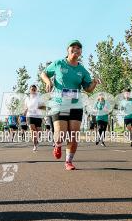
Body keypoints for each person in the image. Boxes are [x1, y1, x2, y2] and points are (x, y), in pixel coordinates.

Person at [40, 40, 98, 170]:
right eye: (73, 47)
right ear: (68, 50)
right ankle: (57, 144)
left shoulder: (82, 70)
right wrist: (47, 81)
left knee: (74, 135)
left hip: (75, 105)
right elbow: (43, 73)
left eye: (79, 48)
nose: (76, 49)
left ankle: (68, 161)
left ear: (81, 52)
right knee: (61, 133)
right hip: (59, 104)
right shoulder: (58, 63)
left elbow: (88, 89)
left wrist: (94, 82)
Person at [24, 84, 44, 152]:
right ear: (30, 90)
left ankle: (37, 140)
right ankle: (35, 145)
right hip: (30, 116)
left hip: (38, 116)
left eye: (34, 89)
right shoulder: (27, 98)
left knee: (39, 132)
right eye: (32, 89)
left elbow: (43, 106)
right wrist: (25, 114)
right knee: (33, 131)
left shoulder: (39, 96)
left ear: (36, 90)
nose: (33, 90)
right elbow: (26, 107)